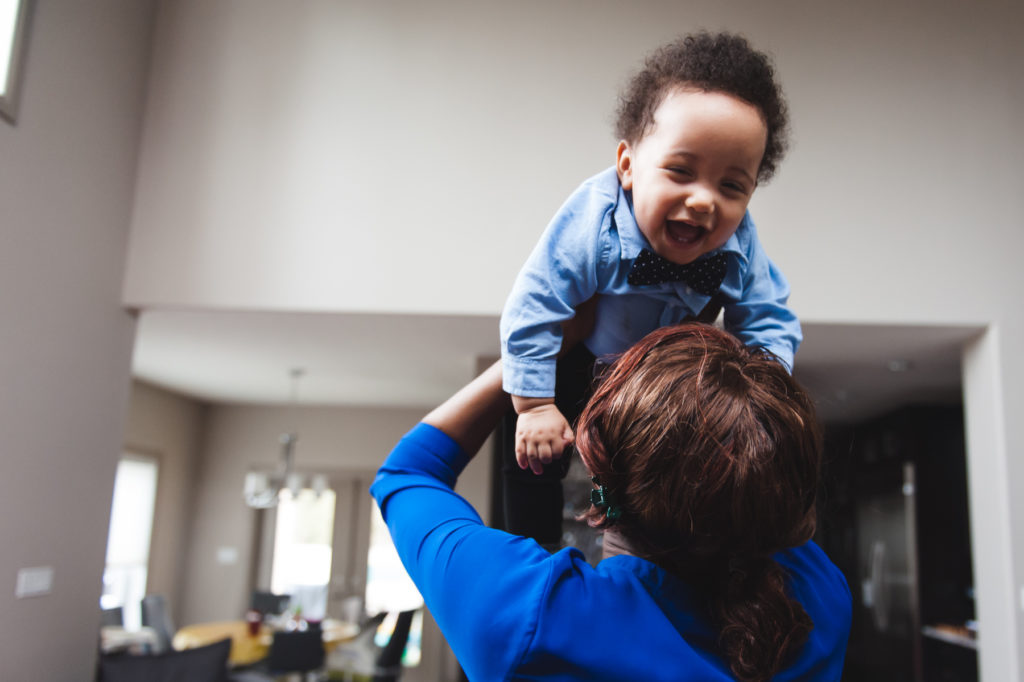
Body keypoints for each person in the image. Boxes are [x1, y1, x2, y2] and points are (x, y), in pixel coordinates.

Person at [371, 323, 851, 681]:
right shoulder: (818, 599)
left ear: (600, 482)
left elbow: (407, 472)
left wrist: (536, 349)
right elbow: (757, 485)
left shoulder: (534, 618)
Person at [500, 32, 801, 543]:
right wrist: (533, 405)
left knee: (638, 465)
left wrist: (760, 394)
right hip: (582, 361)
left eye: (732, 186)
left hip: (656, 381)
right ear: (627, 166)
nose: (704, 200)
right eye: (681, 171)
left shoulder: (741, 247)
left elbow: (769, 318)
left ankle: (620, 535)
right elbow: (535, 301)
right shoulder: (592, 221)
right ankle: (534, 553)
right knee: (536, 459)